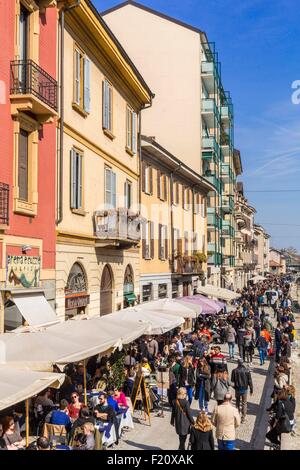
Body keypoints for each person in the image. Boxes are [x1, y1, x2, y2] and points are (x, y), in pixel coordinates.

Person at [231, 359, 253, 423]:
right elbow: (250, 381)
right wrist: (251, 389)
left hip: (237, 388)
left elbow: (232, 381)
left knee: (237, 403)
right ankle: (243, 418)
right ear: (243, 363)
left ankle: (237, 416)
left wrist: (235, 388)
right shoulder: (247, 371)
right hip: (245, 389)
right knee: (244, 403)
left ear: (238, 363)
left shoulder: (234, 371)